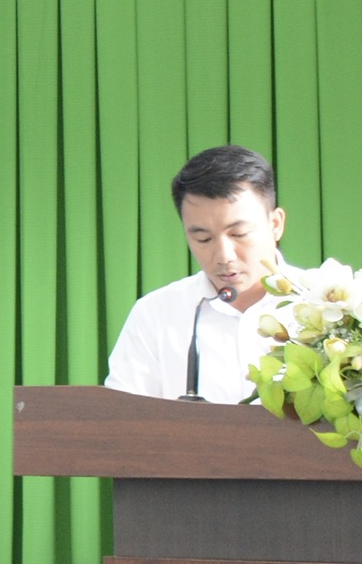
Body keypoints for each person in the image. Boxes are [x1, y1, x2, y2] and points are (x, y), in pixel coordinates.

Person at [105, 144, 290, 404]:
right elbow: (123, 415)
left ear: (275, 225)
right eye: (203, 239)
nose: (224, 256)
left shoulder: (329, 307)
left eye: (238, 234)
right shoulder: (155, 315)